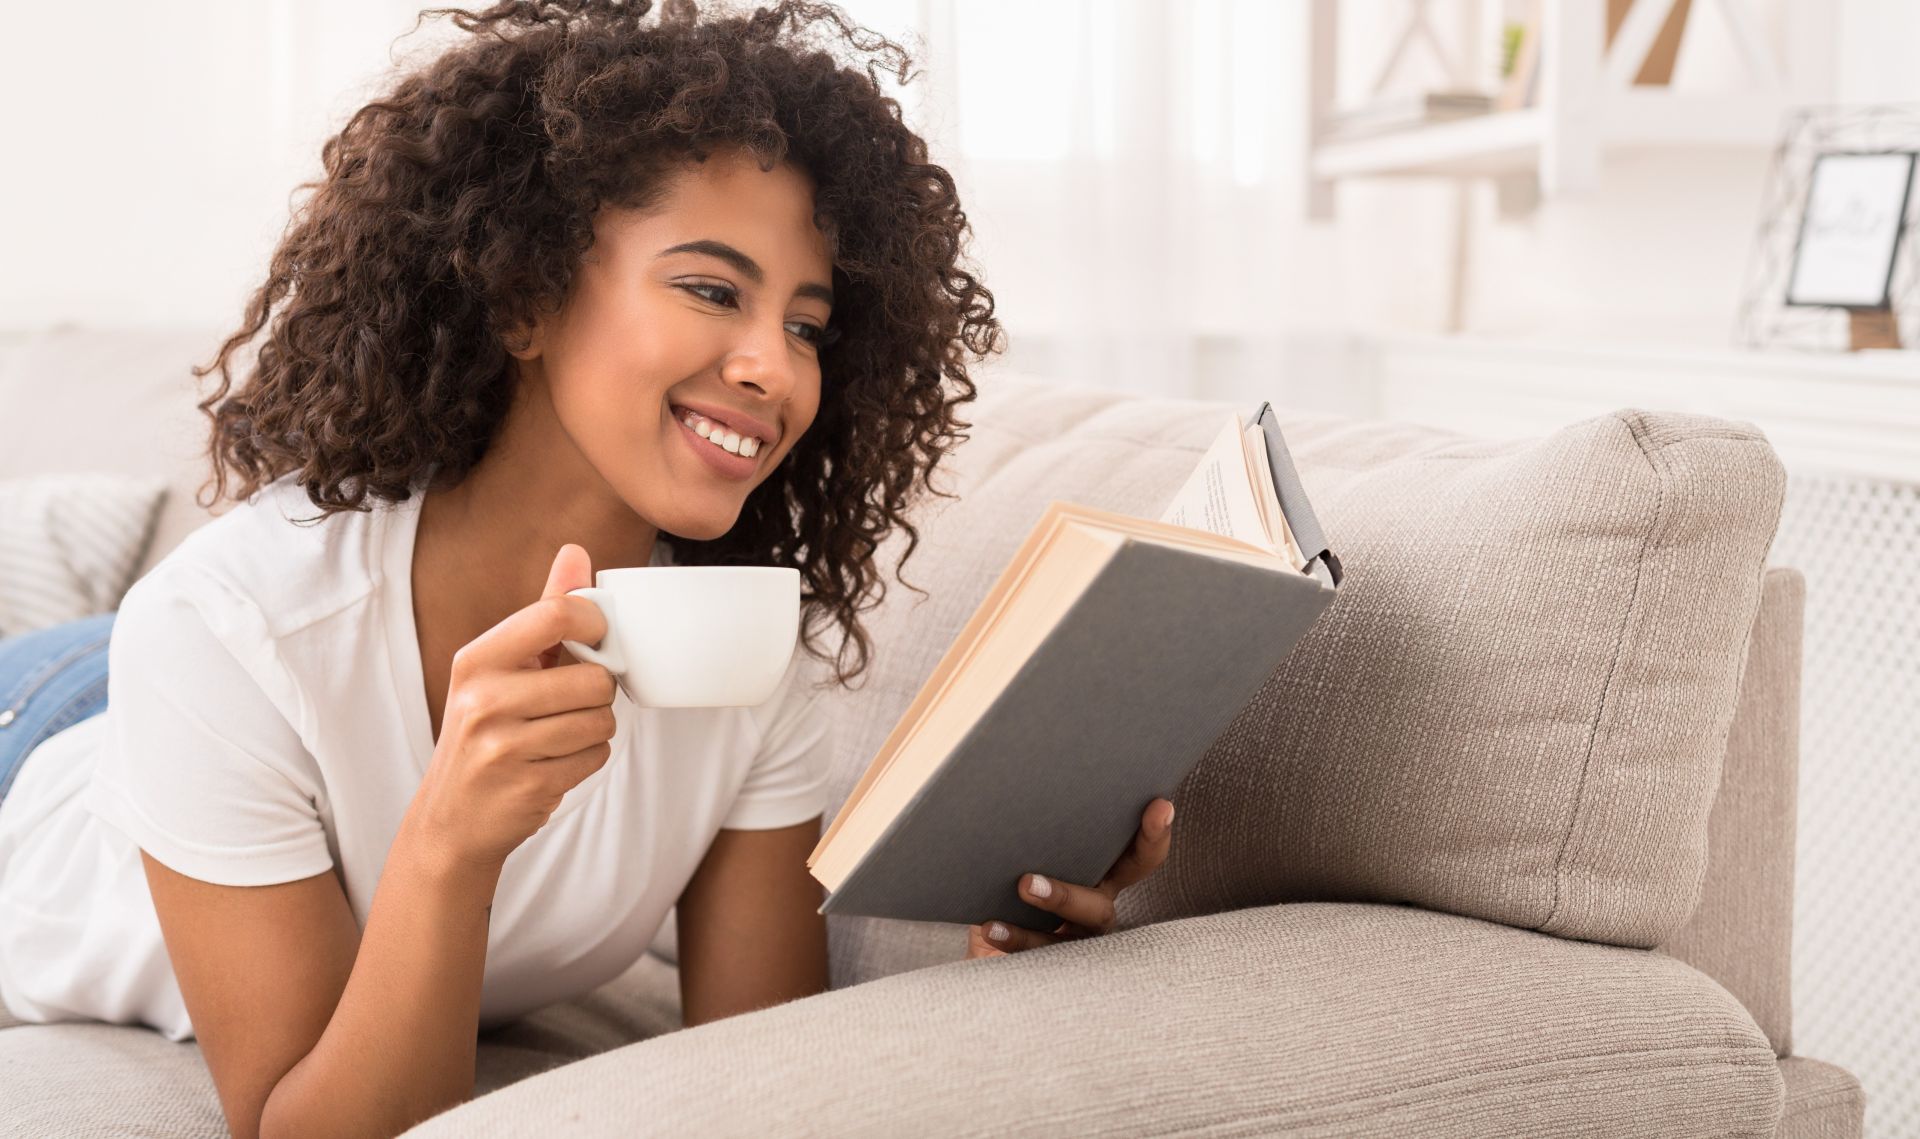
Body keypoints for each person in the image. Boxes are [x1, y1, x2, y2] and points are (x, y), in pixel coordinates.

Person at [0, 2, 1176, 1136]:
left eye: (808, 324)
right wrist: (451, 839)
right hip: (50, 739)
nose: (776, 367)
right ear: (524, 298)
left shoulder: (744, 659)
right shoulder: (225, 628)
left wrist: (990, 976)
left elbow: (762, 1069)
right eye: (713, 289)